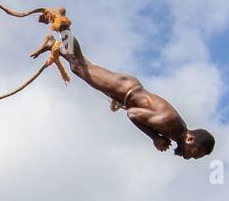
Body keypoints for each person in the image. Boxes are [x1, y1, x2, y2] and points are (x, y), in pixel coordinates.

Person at [34, 8, 215, 160]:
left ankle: (53, 43)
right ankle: (62, 23)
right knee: (79, 67)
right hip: (125, 89)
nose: (188, 157)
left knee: (80, 67)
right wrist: (154, 138)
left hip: (125, 91)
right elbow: (133, 113)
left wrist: (158, 137)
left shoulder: (174, 131)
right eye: (193, 154)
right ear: (191, 140)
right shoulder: (170, 125)